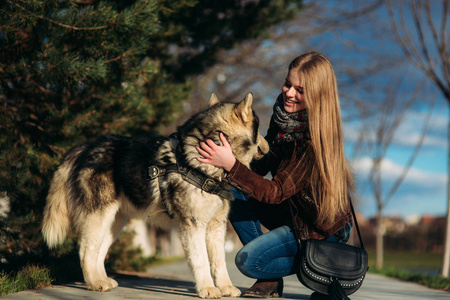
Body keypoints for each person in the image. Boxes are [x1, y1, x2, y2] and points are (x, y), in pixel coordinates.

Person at [196, 52, 355, 300]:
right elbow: (260, 167)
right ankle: (273, 278)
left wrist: (231, 165)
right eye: (288, 84)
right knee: (235, 190)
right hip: (292, 212)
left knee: (249, 262)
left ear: (318, 95)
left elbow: (275, 192)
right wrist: (229, 150)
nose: (289, 93)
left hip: (319, 230)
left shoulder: (314, 139)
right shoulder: (284, 117)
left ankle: (321, 267)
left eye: (300, 90)